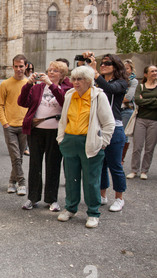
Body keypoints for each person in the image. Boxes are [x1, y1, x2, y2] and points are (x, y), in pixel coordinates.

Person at [57, 66, 115, 228]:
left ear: (89, 81)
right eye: (74, 79)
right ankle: (70, 208)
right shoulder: (70, 95)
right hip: (70, 142)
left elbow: (109, 123)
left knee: (91, 180)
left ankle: (93, 212)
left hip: (89, 143)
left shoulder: (98, 97)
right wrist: (61, 139)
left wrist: (102, 143)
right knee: (71, 178)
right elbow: (63, 120)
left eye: (79, 79)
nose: (75, 82)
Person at [18, 61, 70, 212]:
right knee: (35, 164)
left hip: (55, 132)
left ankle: (51, 199)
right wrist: (28, 84)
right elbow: (22, 102)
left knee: (53, 165)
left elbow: (65, 101)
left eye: (55, 71)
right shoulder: (38, 88)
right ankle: (32, 198)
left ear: (62, 75)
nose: (51, 72)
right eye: (50, 70)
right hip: (36, 131)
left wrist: (52, 85)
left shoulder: (67, 88)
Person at [83, 51, 128, 212]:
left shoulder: (121, 83)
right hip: (97, 128)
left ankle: (119, 198)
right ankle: (102, 195)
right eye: (102, 63)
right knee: (100, 164)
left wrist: (95, 73)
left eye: (107, 63)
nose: (103, 65)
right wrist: (87, 63)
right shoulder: (96, 82)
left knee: (115, 165)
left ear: (116, 66)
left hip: (114, 128)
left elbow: (109, 88)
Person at [0, 54, 29, 195]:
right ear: (12, 67)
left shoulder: (29, 83)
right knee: (15, 156)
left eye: (21, 66)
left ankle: (12, 181)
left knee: (19, 156)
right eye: (15, 66)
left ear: (26, 66)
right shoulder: (5, 84)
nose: (18, 69)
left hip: (25, 126)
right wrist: (5, 123)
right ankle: (22, 182)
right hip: (10, 126)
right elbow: (0, 105)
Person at [126, 65, 157, 180]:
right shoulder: (141, 86)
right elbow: (137, 100)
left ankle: (144, 171)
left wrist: (145, 101)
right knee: (137, 146)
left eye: (156, 71)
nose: (154, 73)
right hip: (141, 120)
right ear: (146, 74)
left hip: (154, 121)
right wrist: (154, 100)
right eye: (152, 71)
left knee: (150, 148)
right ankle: (134, 170)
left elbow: (141, 100)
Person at [121, 59, 138, 164]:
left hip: (127, 110)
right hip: (116, 109)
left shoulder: (133, 81)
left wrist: (116, 96)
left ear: (131, 69)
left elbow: (129, 97)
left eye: (127, 68)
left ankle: (121, 158)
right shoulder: (118, 80)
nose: (125, 70)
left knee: (124, 134)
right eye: (123, 68)